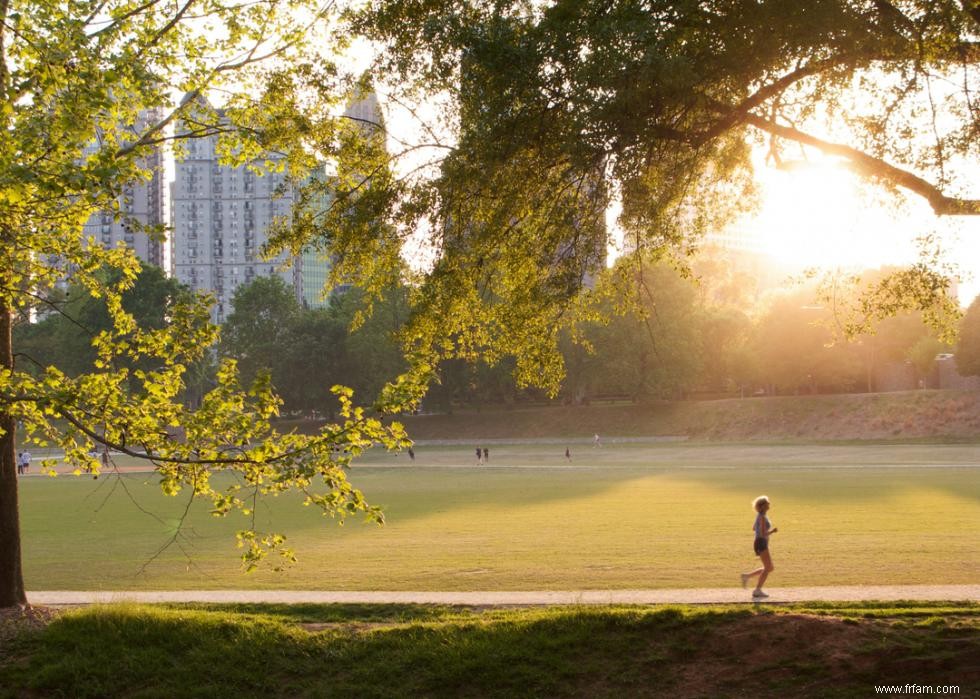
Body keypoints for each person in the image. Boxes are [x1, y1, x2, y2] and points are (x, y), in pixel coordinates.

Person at [741, 495, 778, 598]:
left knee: (769, 567)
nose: (769, 504)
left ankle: (747, 576)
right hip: (761, 542)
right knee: (768, 567)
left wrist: (763, 529)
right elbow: (761, 533)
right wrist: (772, 531)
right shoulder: (761, 517)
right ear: (762, 506)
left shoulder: (760, 516)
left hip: (760, 542)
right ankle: (757, 590)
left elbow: (754, 528)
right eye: (767, 503)